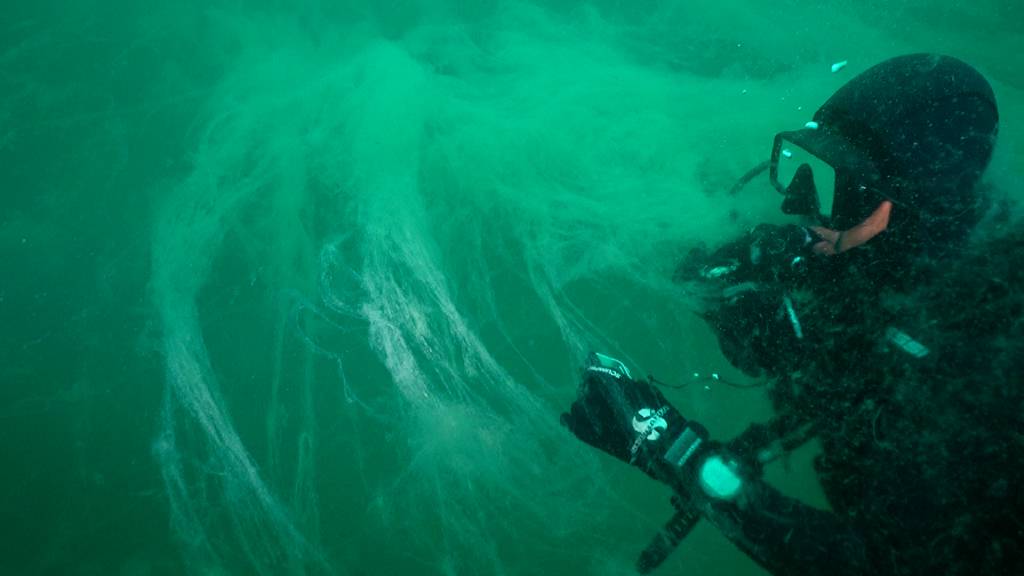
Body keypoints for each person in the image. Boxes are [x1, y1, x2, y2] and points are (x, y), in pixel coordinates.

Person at [562, 54, 1023, 575]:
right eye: (802, 166)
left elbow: (886, 562)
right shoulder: (895, 247)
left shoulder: (986, 358)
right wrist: (739, 276)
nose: (797, 206)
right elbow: (765, 337)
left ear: (915, 202)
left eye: (838, 186)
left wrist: (678, 453)